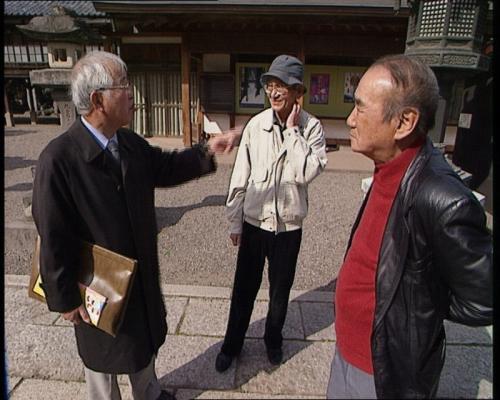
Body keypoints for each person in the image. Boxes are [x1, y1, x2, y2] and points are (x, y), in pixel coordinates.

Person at [31, 50, 236, 400]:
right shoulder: (59, 159)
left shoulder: (126, 142)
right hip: (95, 283)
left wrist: (206, 152)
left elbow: (164, 167)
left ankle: (150, 394)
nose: (132, 94)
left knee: (141, 344)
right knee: (102, 359)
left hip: (137, 273)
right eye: (123, 86)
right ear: (98, 100)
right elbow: (52, 235)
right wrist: (64, 298)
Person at [328, 54, 492, 399]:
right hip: (348, 347)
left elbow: (485, 298)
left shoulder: (442, 197)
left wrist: (417, 303)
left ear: (404, 122)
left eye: (360, 108)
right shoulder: (388, 165)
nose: (350, 120)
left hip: (385, 369)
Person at [215, 54, 327, 372]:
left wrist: (292, 133)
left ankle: (273, 341)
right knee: (243, 291)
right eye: (270, 86)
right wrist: (234, 221)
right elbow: (241, 177)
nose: (274, 93)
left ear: (296, 91)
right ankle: (231, 345)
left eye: (281, 86)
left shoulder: (312, 129)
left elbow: (306, 172)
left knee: (280, 293)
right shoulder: (256, 125)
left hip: (289, 228)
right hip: (254, 223)